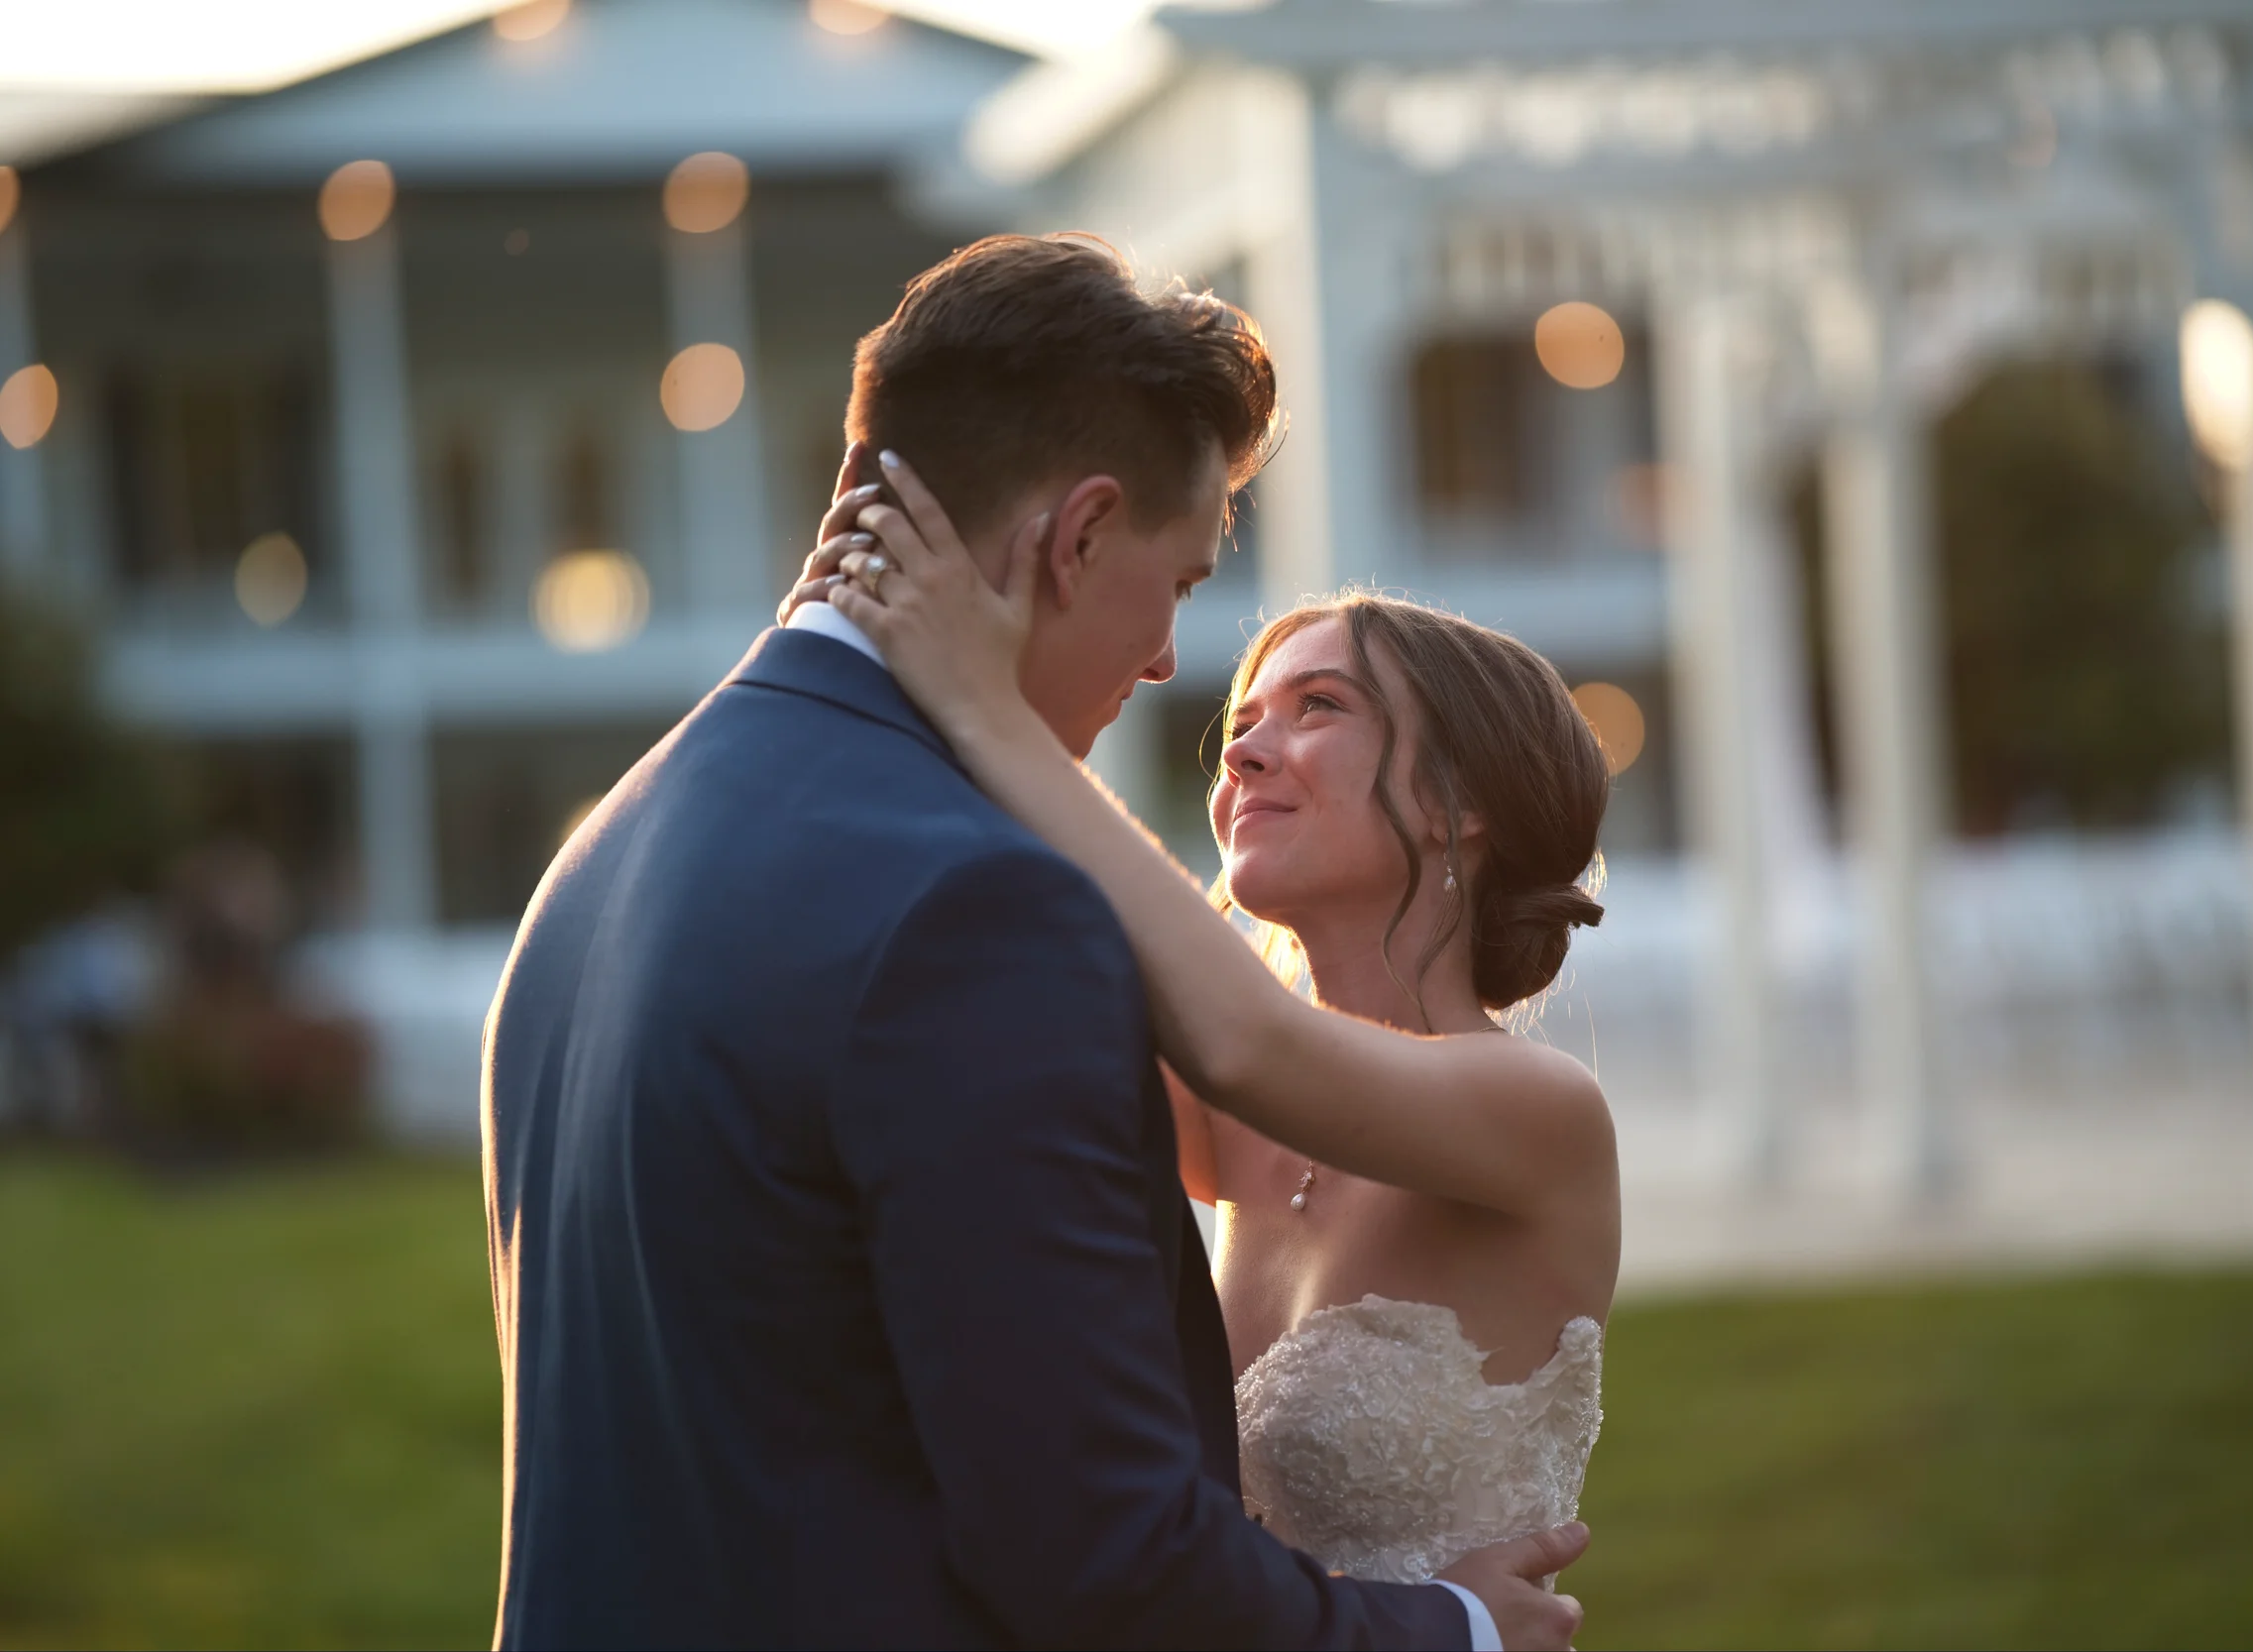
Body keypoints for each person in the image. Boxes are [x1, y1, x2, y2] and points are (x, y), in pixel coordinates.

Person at [481, 232, 1586, 1650]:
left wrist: (981, 707)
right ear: (1077, 537)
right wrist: (1456, 1632)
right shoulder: (974, 917)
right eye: (1179, 583)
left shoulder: (607, 850)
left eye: (1320, 708)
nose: (1173, 665)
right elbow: (1102, 1549)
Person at [783, 461, 1621, 1590]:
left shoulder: (1540, 1112)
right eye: (1244, 718)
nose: (1240, 751)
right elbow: (1020, 953)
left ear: (1457, 802)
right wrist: (856, 640)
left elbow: (1244, 1038)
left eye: (1318, 707)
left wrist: (984, 700)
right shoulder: (1224, 1106)